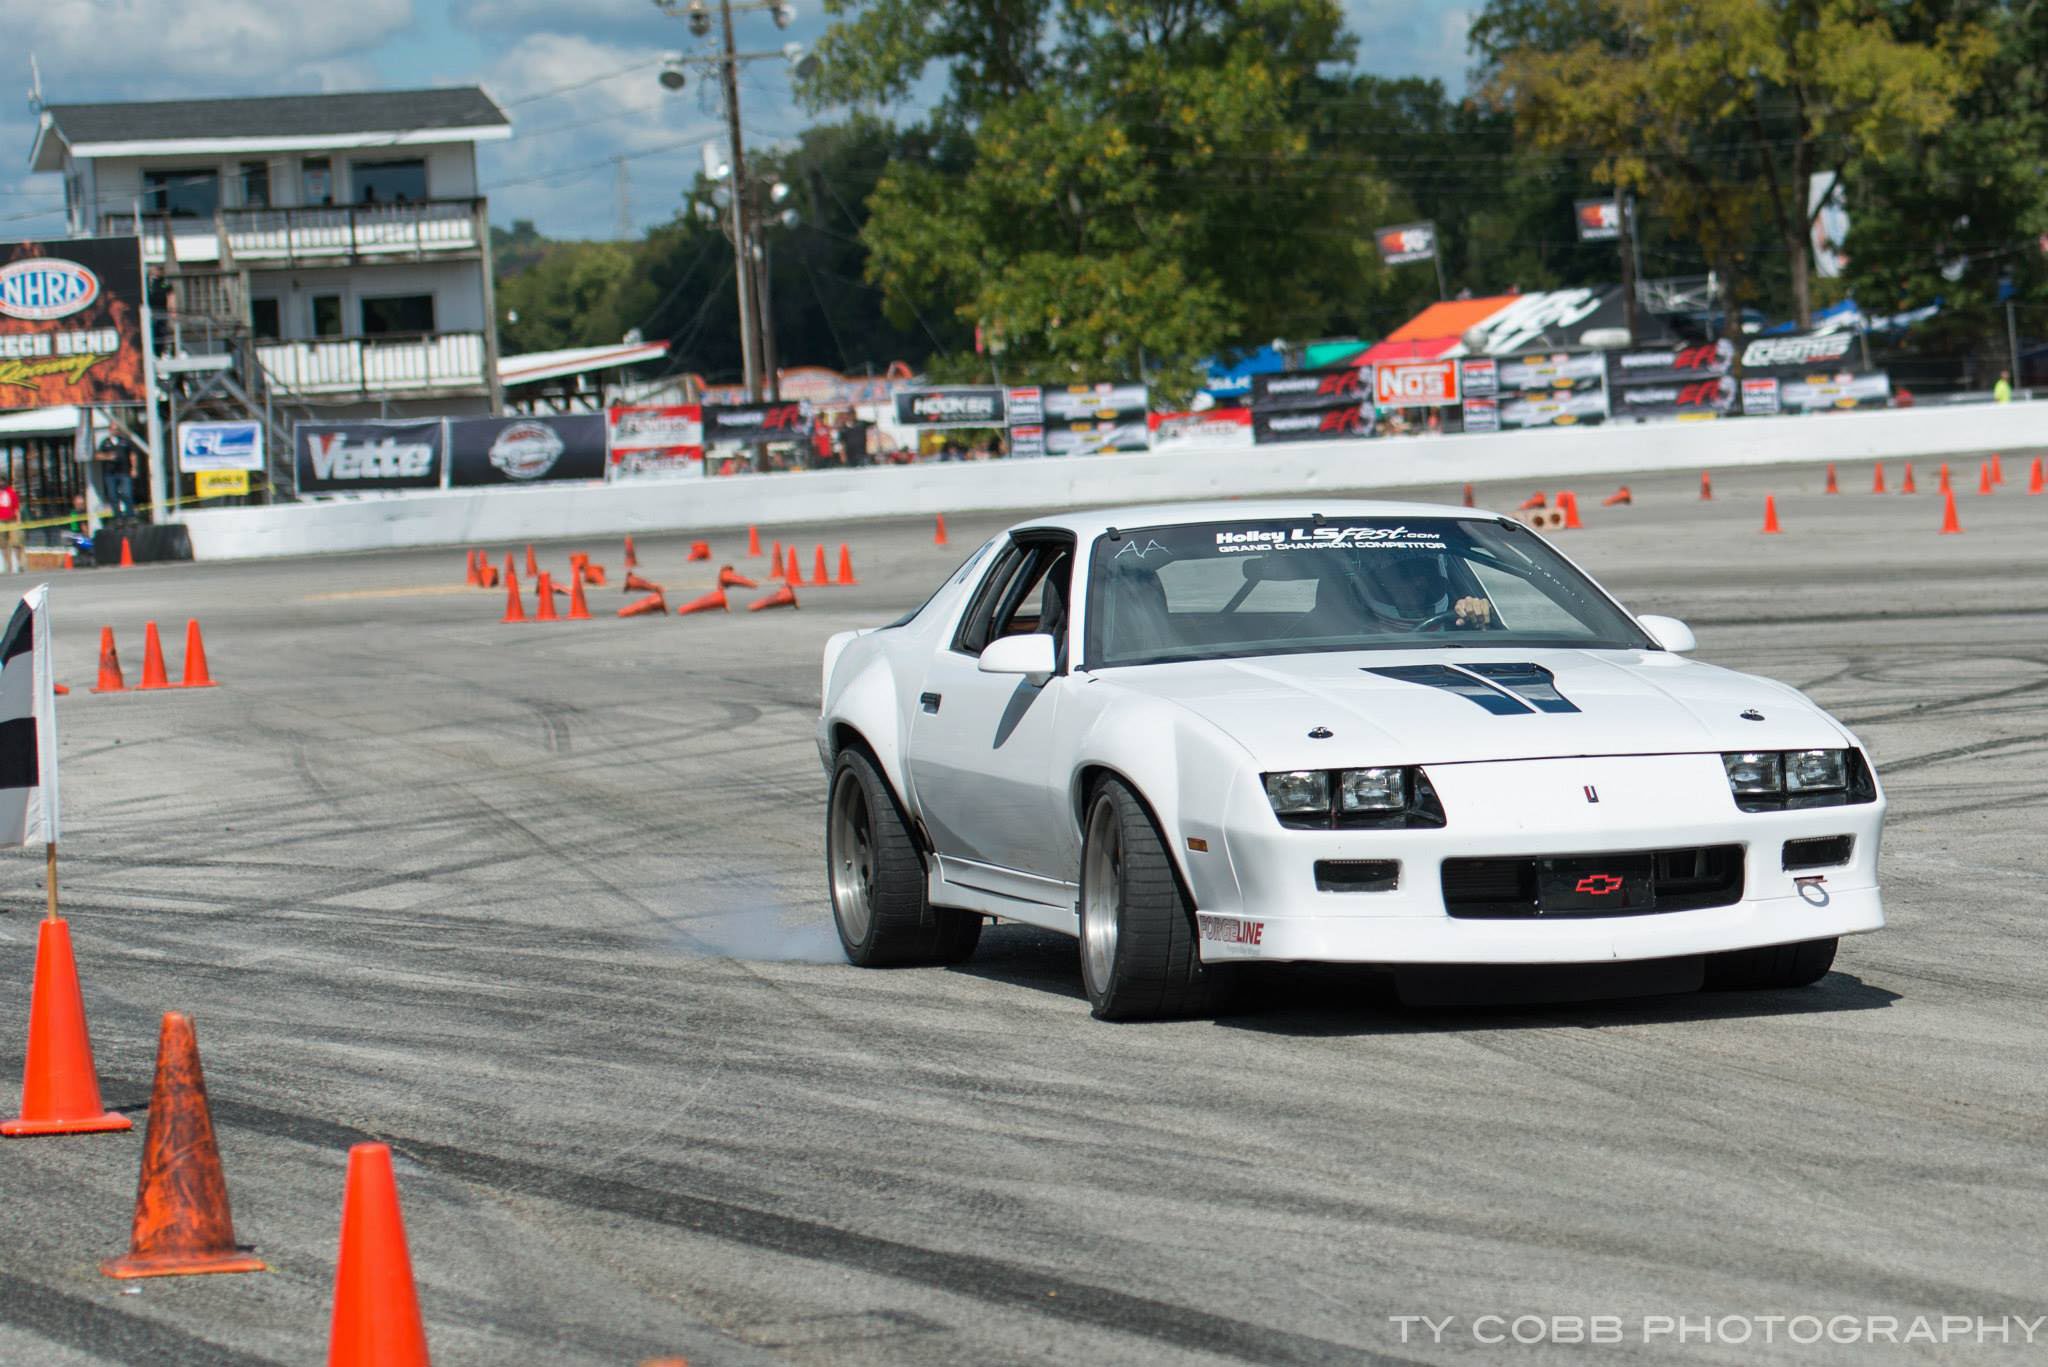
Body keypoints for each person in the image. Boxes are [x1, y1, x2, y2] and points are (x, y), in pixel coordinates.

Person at [97, 432, 139, 520]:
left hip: (124, 471)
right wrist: (108, 456)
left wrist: (134, 468)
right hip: (110, 473)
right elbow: (98, 455)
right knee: (113, 496)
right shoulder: (105, 442)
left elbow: (132, 455)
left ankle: (130, 516)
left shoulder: (125, 441)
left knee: (127, 494)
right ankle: (118, 517)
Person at [0, 478, 23, 574]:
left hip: (12, 520)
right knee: (2, 544)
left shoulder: (11, 493)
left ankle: (16, 564)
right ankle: (4, 565)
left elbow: (17, 507)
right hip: (1, 521)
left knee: (15, 542)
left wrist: (18, 520)